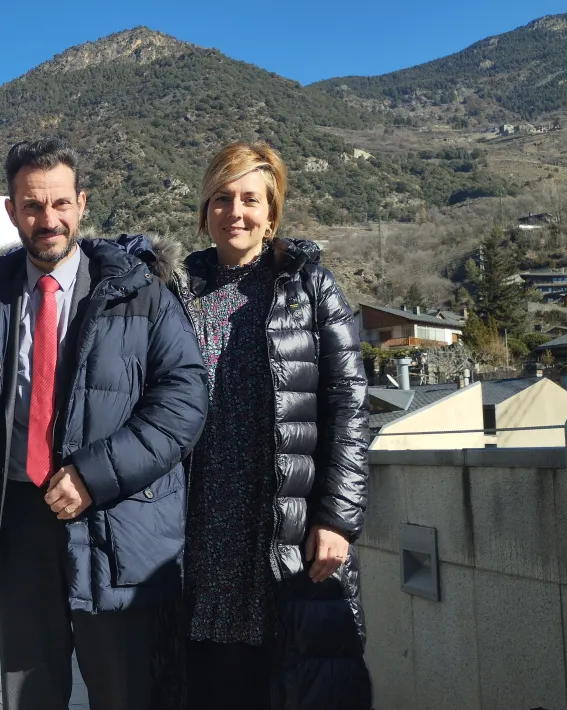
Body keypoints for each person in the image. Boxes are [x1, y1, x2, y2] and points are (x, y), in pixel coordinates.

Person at [0, 139, 208, 710]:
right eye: (32, 206)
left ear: (82, 203)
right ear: (10, 209)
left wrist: (92, 475)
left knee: (120, 691)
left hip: (114, 521)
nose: (49, 220)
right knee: (30, 691)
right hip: (17, 522)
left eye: (60, 204)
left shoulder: (141, 292)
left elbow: (185, 399)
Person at [172, 141, 371, 709]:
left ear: (271, 212)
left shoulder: (309, 288)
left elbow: (349, 406)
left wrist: (336, 519)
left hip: (285, 524)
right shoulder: (178, 292)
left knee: (292, 680)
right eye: (222, 198)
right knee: (210, 682)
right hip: (202, 530)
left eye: (249, 199)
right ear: (204, 210)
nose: (235, 212)